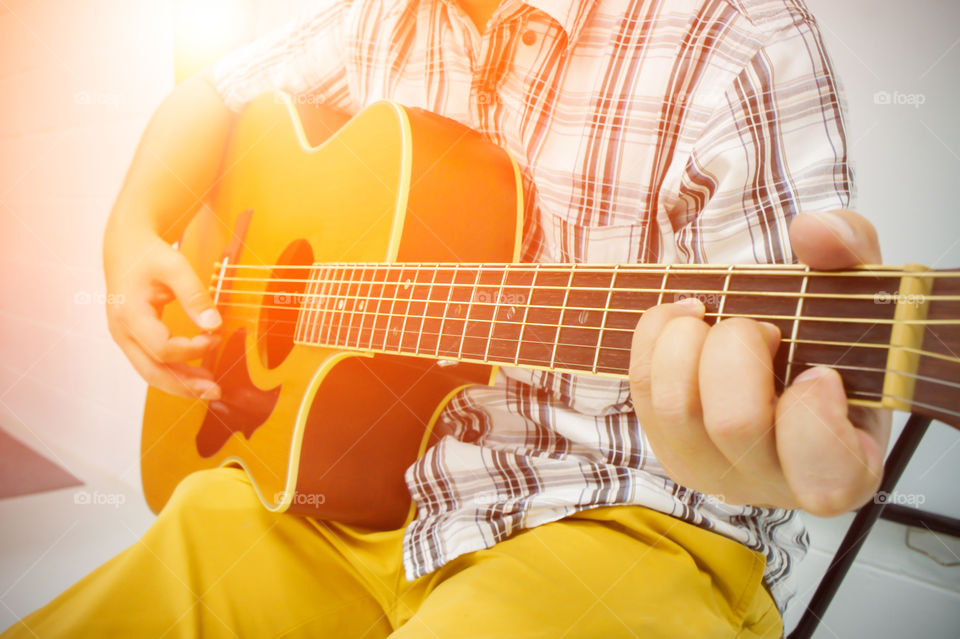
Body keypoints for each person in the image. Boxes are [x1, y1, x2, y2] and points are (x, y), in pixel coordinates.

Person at [4, 0, 890, 636]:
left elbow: (791, 396)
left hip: (631, 519)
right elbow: (215, 93)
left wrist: (765, 446)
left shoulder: (741, 38)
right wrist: (129, 238)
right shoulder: (378, 16)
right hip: (352, 490)